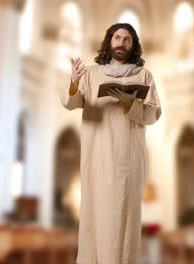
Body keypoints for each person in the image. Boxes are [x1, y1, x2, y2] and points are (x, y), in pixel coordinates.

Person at [61, 23, 162, 264]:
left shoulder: (143, 75)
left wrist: (129, 102)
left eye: (127, 39)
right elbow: (70, 102)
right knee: (97, 217)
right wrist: (74, 81)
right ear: (109, 41)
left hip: (128, 160)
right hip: (97, 158)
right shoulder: (91, 74)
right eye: (117, 37)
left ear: (133, 45)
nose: (121, 43)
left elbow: (153, 114)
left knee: (124, 219)